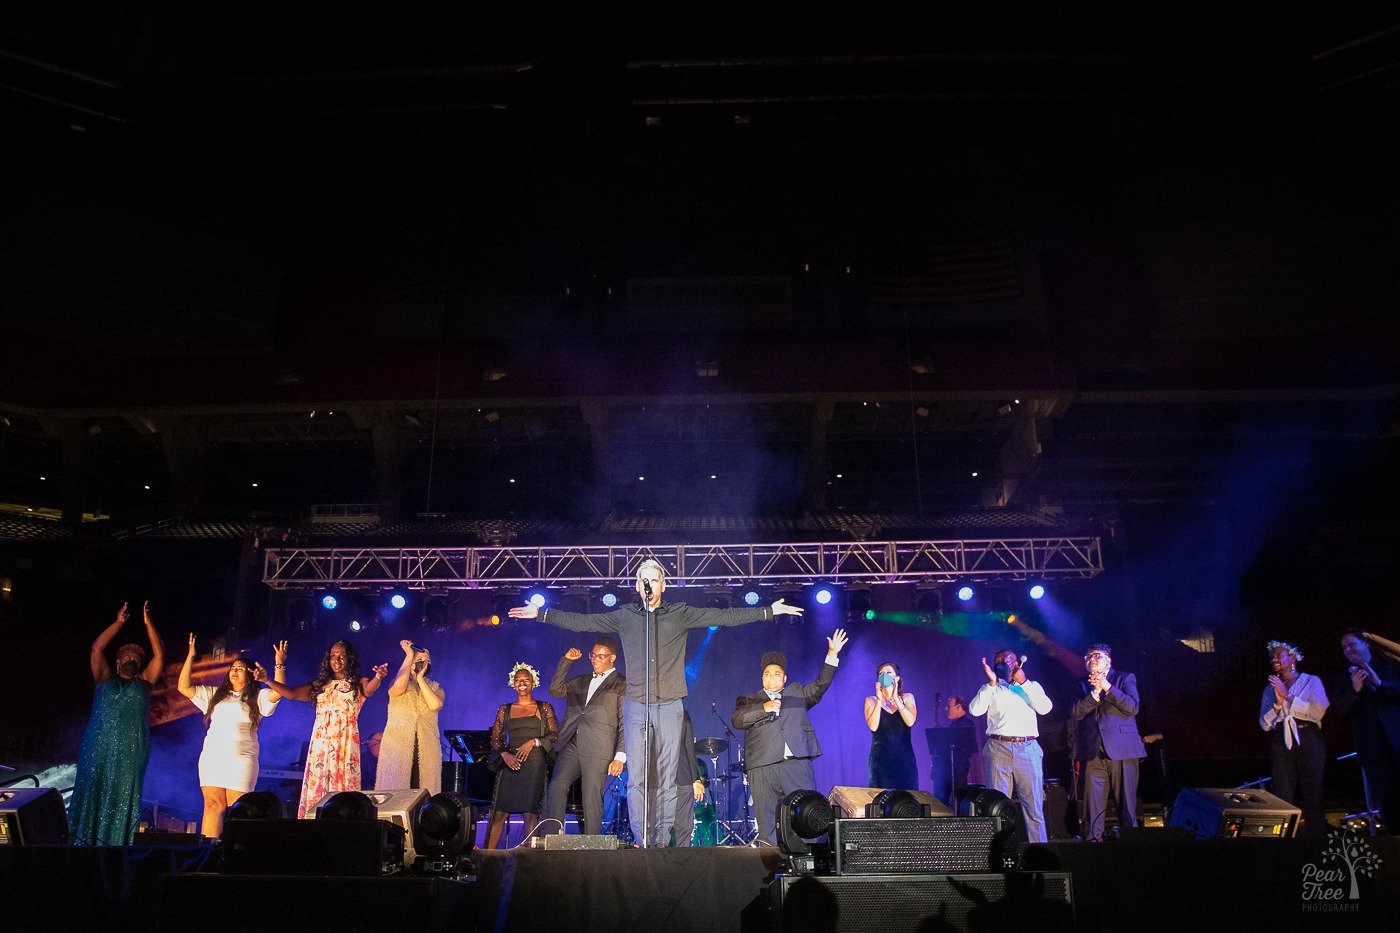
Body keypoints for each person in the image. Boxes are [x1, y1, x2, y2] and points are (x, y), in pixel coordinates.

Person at [509, 558, 803, 847]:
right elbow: (585, 622)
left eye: (655, 579)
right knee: (637, 779)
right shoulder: (626, 616)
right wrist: (543, 614)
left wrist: (767, 611)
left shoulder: (680, 613)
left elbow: (722, 617)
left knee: (667, 778)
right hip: (637, 704)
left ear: (663, 585)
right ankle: (643, 839)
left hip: (670, 705)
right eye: (644, 580)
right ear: (638, 586)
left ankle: (662, 839)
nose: (649, 584)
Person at [733, 628, 848, 846]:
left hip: (795, 763)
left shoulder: (796, 692)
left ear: (784, 679)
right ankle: (770, 871)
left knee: (806, 815)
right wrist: (764, 708)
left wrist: (832, 654)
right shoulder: (749, 698)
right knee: (767, 824)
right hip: (762, 765)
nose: (771, 677)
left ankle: (807, 870)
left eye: (776, 674)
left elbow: (820, 685)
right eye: (767, 674)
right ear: (762, 679)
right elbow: (738, 720)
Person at [69, 601, 166, 845]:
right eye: (126, 656)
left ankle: (115, 845)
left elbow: (160, 654)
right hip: (97, 745)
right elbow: (97, 648)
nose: (131, 657)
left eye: (136, 657)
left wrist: (148, 623)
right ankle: (81, 842)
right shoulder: (103, 679)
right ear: (118, 662)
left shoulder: (145, 683)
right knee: (92, 788)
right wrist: (119, 623)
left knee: (123, 794)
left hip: (131, 749)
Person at [261, 639, 389, 818]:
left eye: (342, 656)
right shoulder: (320, 685)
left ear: (349, 659)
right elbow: (290, 693)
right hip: (321, 748)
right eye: (333, 656)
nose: (337, 660)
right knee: (318, 790)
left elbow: (369, 689)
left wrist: (378, 677)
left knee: (343, 792)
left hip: (344, 746)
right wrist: (268, 679)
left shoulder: (357, 683)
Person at [176, 635, 284, 839]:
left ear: (251, 674)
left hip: (241, 758)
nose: (234, 671)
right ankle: (207, 854)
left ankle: (236, 854)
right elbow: (184, 687)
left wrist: (279, 664)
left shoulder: (257, 697)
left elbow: (279, 692)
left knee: (240, 809)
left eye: (240, 668)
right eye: (233, 668)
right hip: (213, 756)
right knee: (212, 805)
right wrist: (191, 656)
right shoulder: (215, 695)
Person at [968, 650, 1053, 843]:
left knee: (1033, 807)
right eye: (997, 661)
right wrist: (990, 683)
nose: (1001, 664)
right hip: (998, 748)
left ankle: (1039, 854)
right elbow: (975, 710)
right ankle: (999, 854)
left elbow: (1045, 708)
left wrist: (1024, 683)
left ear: (1016, 664)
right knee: (997, 807)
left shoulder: (1031, 686)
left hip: (1027, 747)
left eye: (1005, 661)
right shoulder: (991, 687)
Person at [543, 638, 626, 836]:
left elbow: (625, 722)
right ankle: (552, 836)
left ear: (612, 657)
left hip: (599, 747)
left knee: (591, 795)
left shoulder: (621, 684)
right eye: (593, 655)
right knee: (557, 785)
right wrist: (566, 661)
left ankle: (592, 842)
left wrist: (620, 756)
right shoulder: (581, 680)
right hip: (571, 743)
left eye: (601, 656)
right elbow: (555, 689)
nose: (595, 659)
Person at [1069, 643, 1146, 841]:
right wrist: (1094, 694)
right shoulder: (1081, 684)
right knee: (1092, 808)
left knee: (1127, 805)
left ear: (1108, 660)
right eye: (1087, 657)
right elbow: (1076, 712)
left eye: (1096, 655)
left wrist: (1107, 688)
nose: (1091, 659)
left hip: (1123, 751)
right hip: (1093, 753)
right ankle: (1094, 844)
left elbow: (1132, 707)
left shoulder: (1124, 678)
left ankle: (1131, 843)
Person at [1332, 629, 1400, 832]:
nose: (1348, 650)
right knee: (1386, 800)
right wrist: (1355, 690)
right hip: (1372, 749)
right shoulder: (1343, 678)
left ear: (1366, 643)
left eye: (1351, 644)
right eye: (1344, 647)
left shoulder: (1389, 666)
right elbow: (1338, 710)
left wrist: (1380, 683)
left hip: (1397, 740)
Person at [485, 662, 559, 848]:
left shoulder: (544, 707)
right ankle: (487, 860)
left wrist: (534, 742)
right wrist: (504, 754)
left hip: (534, 763)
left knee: (529, 813)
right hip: (511, 762)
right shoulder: (505, 709)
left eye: (526, 680)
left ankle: (528, 862)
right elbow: (495, 740)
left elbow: (555, 735)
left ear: (533, 683)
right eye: (518, 680)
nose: (522, 683)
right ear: (513, 683)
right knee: (499, 813)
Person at [1259, 640, 1329, 836]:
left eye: (1279, 654)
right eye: (1272, 655)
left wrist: (1288, 696)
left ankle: (1317, 843)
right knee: (1281, 796)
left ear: (1293, 658)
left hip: (1307, 736)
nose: (1274, 658)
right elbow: (1264, 725)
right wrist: (1278, 704)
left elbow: (1317, 712)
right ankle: (1284, 845)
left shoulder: (1311, 681)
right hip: (1281, 739)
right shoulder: (1269, 689)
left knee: (1312, 795)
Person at [375, 639, 445, 793]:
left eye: (427, 661)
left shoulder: (436, 688)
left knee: (423, 792)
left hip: (426, 749)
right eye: (419, 659)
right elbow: (398, 687)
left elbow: (435, 705)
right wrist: (408, 656)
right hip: (397, 747)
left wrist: (420, 679)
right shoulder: (398, 681)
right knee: (395, 793)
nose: (424, 663)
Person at [864, 662, 918, 789]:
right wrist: (879, 700)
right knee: (881, 800)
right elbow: (873, 726)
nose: (884, 676)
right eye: (881, 674)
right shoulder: (870, 700)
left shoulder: (907, 698)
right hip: (880, 760)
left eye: (888, 673)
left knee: (907, 801)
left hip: (904, 759)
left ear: (897, 678)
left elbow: (910, 721)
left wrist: (896, 699)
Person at [930, 695, 981, 804]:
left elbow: (966, 748)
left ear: (958, 707)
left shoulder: (967, 724)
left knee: (959, 798)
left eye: (949, 706)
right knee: (940, 800)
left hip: (957, 769)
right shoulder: (952, 725)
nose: (946, 709)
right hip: (945, 769)